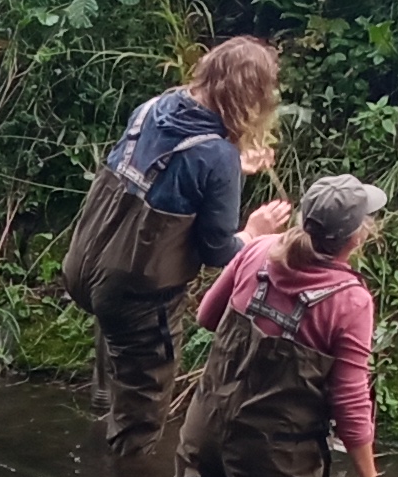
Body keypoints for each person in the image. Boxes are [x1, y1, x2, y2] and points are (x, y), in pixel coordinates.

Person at [82, 38, 283, 451]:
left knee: (115, 344)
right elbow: (218, 253)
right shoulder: (217, 157)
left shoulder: (154, 107)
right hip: (135, 296)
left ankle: (101, 416)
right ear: (252, 96)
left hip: (86, 264)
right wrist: (255, 231)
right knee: (140, 419)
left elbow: (169, 175)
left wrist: (235, 164)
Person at [166, 171, 382, 477]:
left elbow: (206, 318)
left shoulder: (257, 249)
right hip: (276, 460)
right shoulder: (351, 302)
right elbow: (350, 406)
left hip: (206, 432)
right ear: (355, 237)